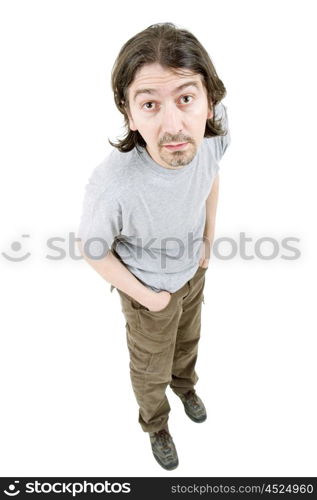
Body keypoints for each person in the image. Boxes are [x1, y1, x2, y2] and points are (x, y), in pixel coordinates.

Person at [77, 22, 231, 470]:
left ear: (209, 101)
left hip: (192, 270)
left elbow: (212, 173)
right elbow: (92, 248)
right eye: (150, 104)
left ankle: (185, 386)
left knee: (188, 342)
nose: (173, 125)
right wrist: (148, 297)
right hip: (148, 293)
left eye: (186, 98)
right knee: (150, 369)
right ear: (128, 113)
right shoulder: (114, 185)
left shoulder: (213, 135)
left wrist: (207, 240)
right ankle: (156, 423)